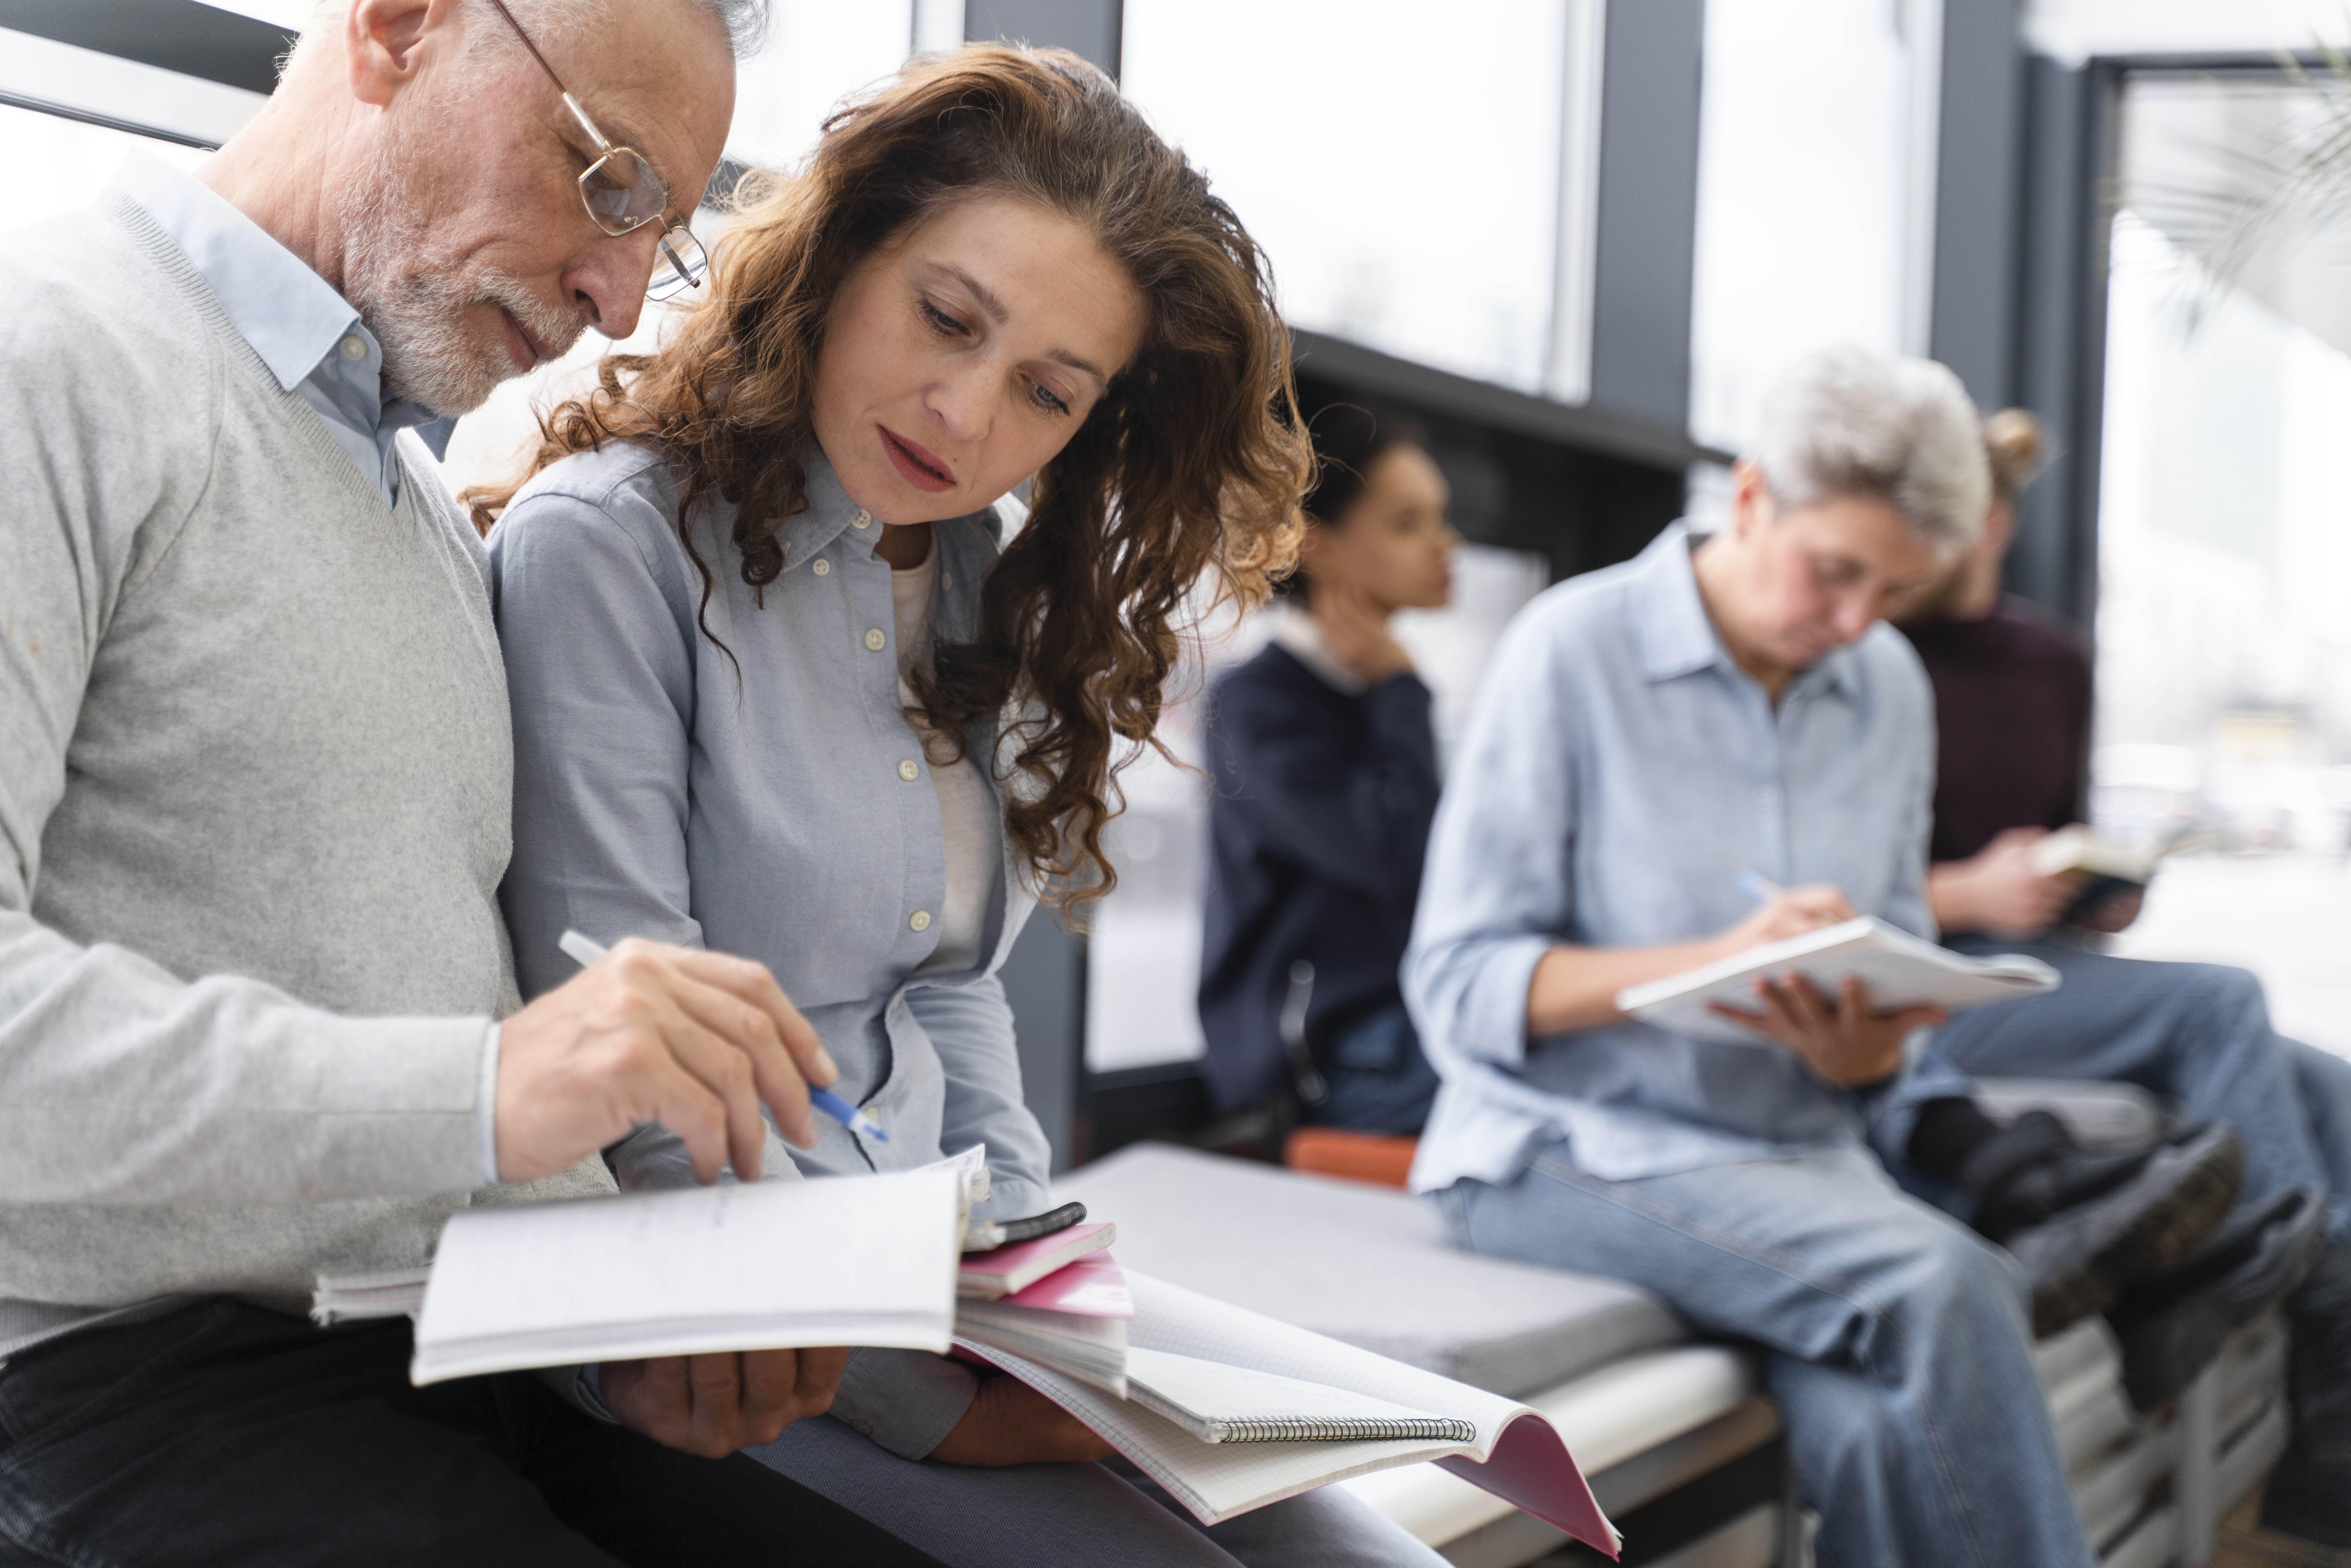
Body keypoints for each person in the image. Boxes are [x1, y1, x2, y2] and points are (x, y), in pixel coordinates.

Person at [0, 1, 955, 1564]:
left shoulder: (428, 520)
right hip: (120, 1379)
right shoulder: (48, 357)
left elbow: (441, 1034)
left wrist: (621, 1334)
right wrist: (483, 1094)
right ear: (397, 30)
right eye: (610, 179)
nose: (625, 290)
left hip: (449, 1354)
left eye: (668, 234)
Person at [483, 45, 1445, 1568]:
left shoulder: (970, 567)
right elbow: (631, 1081)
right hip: (730, 1342)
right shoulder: (605, 552)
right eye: (947, 317)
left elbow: (946, 995)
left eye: (1047, 393)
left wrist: (1041, 1290)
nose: (964, 410)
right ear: (846, 251)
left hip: (943, 1293)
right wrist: (920, 1395)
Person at [1402, 348, 2240, 1568]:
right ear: (1750, 500)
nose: (1853, 622)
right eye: (1834, 572)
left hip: (1799, 1160)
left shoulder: (1885, 683)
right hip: (1558, 1146)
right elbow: (1457, 984)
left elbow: (1890, 962)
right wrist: (1704, 961)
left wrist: (1866, 1052)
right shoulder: (1569, 650)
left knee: (1886, 1437)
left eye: (1890, 592)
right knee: (1949, 1285)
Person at [1899, 409, 2351, 1545]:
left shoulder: (2053, 660)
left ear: (1993, 521)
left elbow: (2057, 832)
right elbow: (1824, 887)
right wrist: (1960, 892)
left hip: (2046, 962)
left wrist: (2100, 887)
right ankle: (2322, 1314)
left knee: (2328, 1082)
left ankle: (2327, 1394)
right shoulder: (1867, 653)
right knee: (2222, 999)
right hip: (1933, 969)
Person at [1198, 404, 1458, 1133]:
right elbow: (1402, 858)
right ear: (1317, 545)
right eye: (1409, 523)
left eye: (1441, 518)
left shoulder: (1372, 691)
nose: (1447, 545)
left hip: (1406, 1029)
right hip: (1325, 1061)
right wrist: (1402, 689)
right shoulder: (1255, 705)